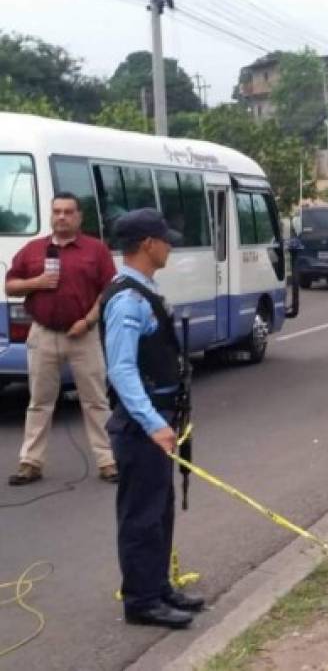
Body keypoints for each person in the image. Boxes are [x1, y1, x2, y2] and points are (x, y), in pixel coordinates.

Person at [100, 209, 204, 629]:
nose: (170, 245)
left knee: (159, 510)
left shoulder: (144, 291)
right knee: (141, 515)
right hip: (141, 425)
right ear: (147, 244)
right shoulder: (128, 299)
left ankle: (157, 585)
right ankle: (141, 601)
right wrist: (153, 423)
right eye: (165, 239)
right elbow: (122, 370)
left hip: (159, 418)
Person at [6, 192, 119, 486]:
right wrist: (37, 283)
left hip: (83, 334)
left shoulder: (96, 250)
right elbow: (11, 286)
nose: (62, 217)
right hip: (43, 333)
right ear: (51, 215)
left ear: (79, 217)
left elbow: (109, 291)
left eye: (68, 212)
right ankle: (30, 463)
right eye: (57, 211)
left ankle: (108, 462)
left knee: (95, 400)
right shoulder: (33, 250)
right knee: (40, 401)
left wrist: (88, 321)